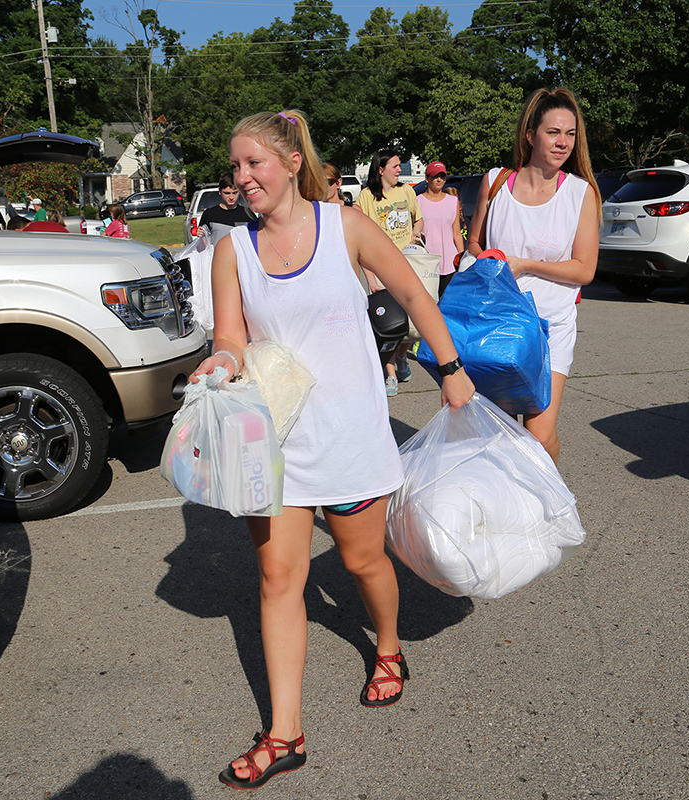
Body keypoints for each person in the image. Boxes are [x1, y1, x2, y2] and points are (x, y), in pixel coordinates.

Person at [190, 109, 474, 791]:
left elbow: (408, 288)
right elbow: (229, 334)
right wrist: (219, 364)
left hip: (348, 436)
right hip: (276, 446)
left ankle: (387, 646)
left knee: (362, 559)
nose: (242, 177)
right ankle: (285, 732)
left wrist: (451, 366)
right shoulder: (234, 250)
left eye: (253, 163)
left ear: (291, 162)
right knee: (278, 580)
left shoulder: (343, 227)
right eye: (235, 167)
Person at [467, 86, 601, 465]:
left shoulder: (581, 193)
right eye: (553, 132)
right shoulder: (496, 183)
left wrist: (525, 264)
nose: (563, 143)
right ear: (530, 135)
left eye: (571, 134)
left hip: (552, 327)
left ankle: (550, 510)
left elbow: (584, 269)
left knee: (539, 435)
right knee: (499, 431)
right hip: (500, 324)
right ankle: (509, 514)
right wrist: (486, 259)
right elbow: (474, 244)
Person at [358, 149, 423, 394]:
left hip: (408, 263)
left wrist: (416, 233)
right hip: (381, 268)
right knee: (390, 323)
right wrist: (371, 278)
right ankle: (390, 373)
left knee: (412, 325)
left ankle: (402, 356)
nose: (399, 170)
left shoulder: (406, 191)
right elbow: (360, 241)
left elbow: (419, 218)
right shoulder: (366, 197)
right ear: (381, 169)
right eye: (395, 166)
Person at [417, 161, 463, 297]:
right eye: (435, 176)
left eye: (442, 176)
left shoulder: (452, 201)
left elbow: (457, 233)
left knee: (447, 303)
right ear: (427, 178)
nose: (439, 179)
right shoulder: (418, 201)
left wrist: (462, 259)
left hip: (449, 262)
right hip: (427, 262)